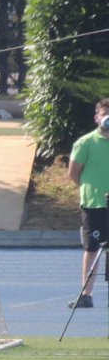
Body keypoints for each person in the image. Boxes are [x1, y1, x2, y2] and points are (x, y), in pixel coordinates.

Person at [67, 98, 109, 309]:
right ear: (97, 118)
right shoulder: (85, 143)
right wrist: (90, 190)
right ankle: (86, 294)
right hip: (94, 205)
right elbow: (74, 173)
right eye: (104, 114)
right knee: (92, 248)